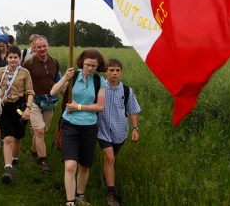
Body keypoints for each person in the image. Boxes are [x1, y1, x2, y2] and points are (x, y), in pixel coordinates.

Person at [50, 49, 106, 206]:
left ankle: (80, 195)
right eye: (87, 64)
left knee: (84, 165)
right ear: (82, 62)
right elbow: (53, 91)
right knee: (70, 165)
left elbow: (100, 106)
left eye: (94, 66)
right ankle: (70, 201)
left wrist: (78, 107)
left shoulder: (99, 81)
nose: (90, 68)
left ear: (98, 66)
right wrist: (65, 78)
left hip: (89, 127)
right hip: (70, 125)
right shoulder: (73, 76)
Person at [98, 58, 141, 206]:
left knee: (113, 157)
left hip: (120, 130)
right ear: (106, 72)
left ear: (121, 72)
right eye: (111, 70)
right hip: (102, 129)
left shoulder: (127, 90)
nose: (115, 73)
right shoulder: (99, 87)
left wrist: (135, 129)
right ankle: (111, 194)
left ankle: (105, 176)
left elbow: (133, 110)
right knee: (109, 157)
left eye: (117, 70)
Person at [0, 45, 34, 185]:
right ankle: (8, 169)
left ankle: (15, 158)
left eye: (16, 57)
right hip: (5, 108)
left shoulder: (25, 73)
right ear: (7, 58)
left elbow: (30, 92)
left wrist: (28, 108)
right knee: (8, 138)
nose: (13, 60)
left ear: (19, 58)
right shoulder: (0, 71)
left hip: (19, 107)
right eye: (10, 57)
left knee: (17, 136)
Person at [23, 35, 60, 173]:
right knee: (39, 130)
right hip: (34, 102)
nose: (42, 49)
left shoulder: (54, 62)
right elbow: (22, 81)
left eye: (44, 46)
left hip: (49, 103)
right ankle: (43, 161)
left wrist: (67, 96)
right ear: (34, 47)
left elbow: (58, 81)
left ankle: (33, 151)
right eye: (39, 47)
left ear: (48, 45)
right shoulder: (29, 63)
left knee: (42, 131)